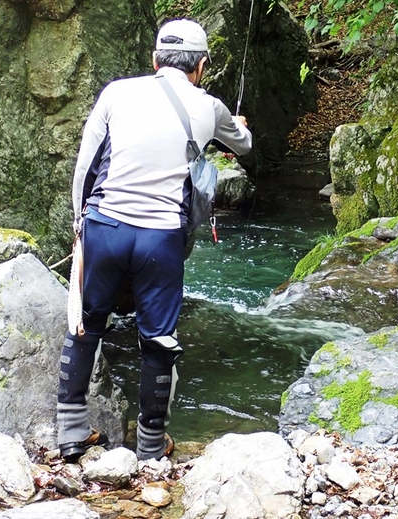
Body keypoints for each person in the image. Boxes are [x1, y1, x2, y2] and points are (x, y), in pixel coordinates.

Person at [57, 19, 253, 462]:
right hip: (160, 239)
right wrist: (235, 124)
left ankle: (70, 433)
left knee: (86, 325)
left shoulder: (116, 92)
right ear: (201, 66)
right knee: (158, 339)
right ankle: (150, 448)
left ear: (154, 60)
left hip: (104, 227)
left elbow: (85, 167)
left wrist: (79, 227)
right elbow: (245, 146)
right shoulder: (210, 107)